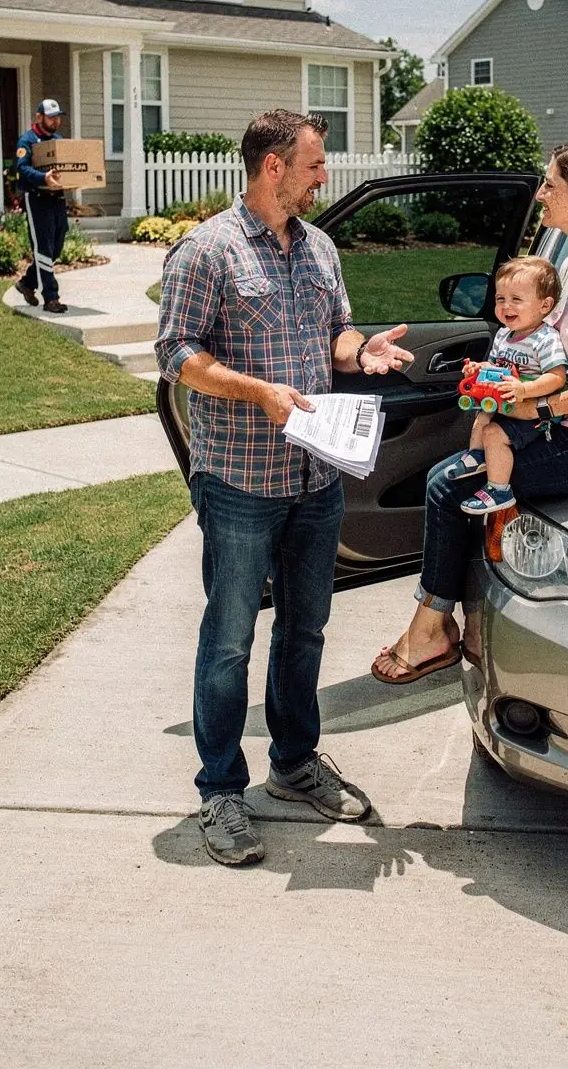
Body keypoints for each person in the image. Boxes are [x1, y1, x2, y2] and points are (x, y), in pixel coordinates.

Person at [155, 108, 414, 867]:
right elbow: (177, 354)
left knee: (305, 630)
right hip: (240, 478)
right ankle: (220, 789)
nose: (322, 176)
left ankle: (294, 763)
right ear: (274, 166)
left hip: (315, 474)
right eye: (314, 164)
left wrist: (361, 351)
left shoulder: (320, 247)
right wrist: (258, 392)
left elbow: (334, 332)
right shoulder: (208, 250)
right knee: (229, 640)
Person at [372, 141, 568, 685]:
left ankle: (434, 631)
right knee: (455, 483)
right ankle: (469, 627)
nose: (541, 193)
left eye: (551, 185)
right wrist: (501, 378)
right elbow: (545, 348)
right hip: (566, 427)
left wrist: (534, 404)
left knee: (447, 486)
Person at [447, 256, 568, 517]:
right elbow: (495, 366)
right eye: (500, 299)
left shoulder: (545, 339)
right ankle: (476, 456)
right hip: (504, 402)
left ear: (544, 305)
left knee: (493, 434)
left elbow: (557, 377)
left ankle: (499, 490)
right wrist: (479, 369)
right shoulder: (504, 335)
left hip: (532, 413)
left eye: (516, 299)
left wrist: (524, 389)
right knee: (482, 417)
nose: (506, 306)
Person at [14, 99, 69, 314]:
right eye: (51, 117)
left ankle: (27, 282)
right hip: (37, 198)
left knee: (56, 246)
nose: (56, 121)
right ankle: (51, 297)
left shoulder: (58, 140)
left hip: (57, 198)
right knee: (44, 248)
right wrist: (43, 177)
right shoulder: (27, 140)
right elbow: (22, 168)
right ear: (39, 117)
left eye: (58, 117)